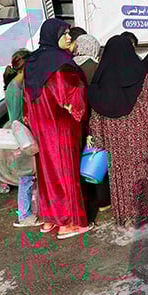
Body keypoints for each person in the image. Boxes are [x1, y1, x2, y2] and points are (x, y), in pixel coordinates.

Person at [86, 34, 148, 226]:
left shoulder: (99, 84)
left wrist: (99, 139)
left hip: (116, 142)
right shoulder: (144, 78)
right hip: (141, 138)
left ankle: (126, 216)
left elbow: (96, 118)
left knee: (121, 178)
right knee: (144, 174)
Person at [23, 18, 89, 239]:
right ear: (54, 36)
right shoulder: (61, 65)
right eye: (65, 33)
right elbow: (72, 100)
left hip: (41, 129)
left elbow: (27, 101)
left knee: (47, 175)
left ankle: (49, 219)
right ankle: (68, 222)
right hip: (61, 129)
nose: (69, 37)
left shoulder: (33, 62)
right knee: (65, 173)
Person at [73, 34, 110, 225]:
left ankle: (83, 201)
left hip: (73, 121)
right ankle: (102, 201)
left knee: (78, 161)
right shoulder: (95, 68)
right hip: (93, 119)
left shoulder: (69, 66)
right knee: (97, 159)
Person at [3, 48, 42, 228]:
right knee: (26, 178)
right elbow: (17, 119)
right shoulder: (16, 89)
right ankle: (24, 216)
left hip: (21, 137)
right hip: (22, 139)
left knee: (28, 178)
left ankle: (29, 212)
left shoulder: (15, 85)